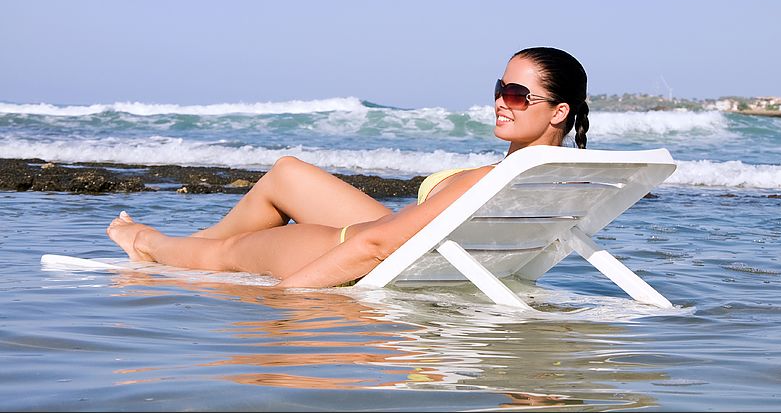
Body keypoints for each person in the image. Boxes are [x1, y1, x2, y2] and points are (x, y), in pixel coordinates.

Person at [106, 47, 590, 288]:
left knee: (228, 254)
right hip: (406, 243)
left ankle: (147, 244)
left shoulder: (497, 177)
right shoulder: (564, 174)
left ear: (558, 111)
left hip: (352, 248)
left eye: (516, 95)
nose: (500, 103)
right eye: (499, 89)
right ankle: (197, 241)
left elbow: (376, 245)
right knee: (287, 172)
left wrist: (290, 296)